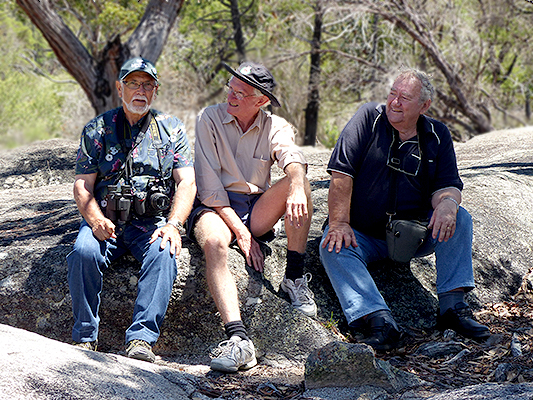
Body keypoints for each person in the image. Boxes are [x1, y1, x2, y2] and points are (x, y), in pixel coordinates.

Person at [320, 68, 490, 351]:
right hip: (362, 234)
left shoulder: (437, 134)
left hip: (415, 234)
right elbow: (341, 174)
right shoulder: (367, 119)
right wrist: (338, 222)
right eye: (392, 94)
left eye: (405, 98)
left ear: (424, 106)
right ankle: (378, 321)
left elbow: (447, 186)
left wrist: (448, 204)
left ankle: (452, 308)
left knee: (459, 218)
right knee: (332, 245)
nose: (394, 103)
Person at [188, 61, 316, 372]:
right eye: (230, 88)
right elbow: (209, 186)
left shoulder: (276, 125)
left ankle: (294, 278)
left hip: (256, 207)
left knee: (300, 183)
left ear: (260, 100)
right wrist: (242, 233)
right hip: (214, 206)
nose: (230, 96)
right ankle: (238, 339)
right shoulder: (209, 118)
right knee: (215, 243)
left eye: (240, 93)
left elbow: (291, 155)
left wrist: (297, 186)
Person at [67, 57, 196, 362]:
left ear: (156, 89)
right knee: (83, 251)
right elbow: (82, 185)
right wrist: (95, 219)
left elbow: (187, 183)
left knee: (165, 253)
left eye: (148, 84)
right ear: (119, 87)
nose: (141, 90)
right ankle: (85, 337)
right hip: (106, 221)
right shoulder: (98, 129)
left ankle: (141, 340)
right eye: (133, 83)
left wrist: (174, 224)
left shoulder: (172, 129)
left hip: (149, 222)